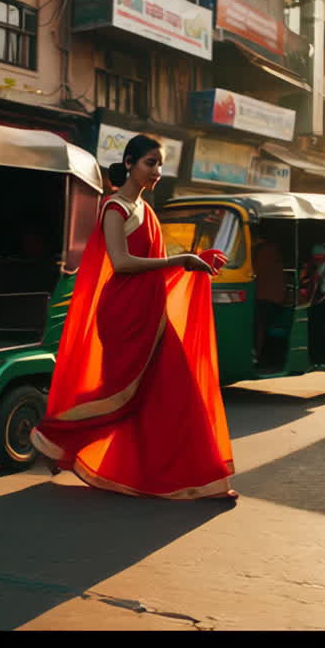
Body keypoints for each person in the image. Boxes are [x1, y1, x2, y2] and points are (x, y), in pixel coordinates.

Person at [30, 134, 239, 500]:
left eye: (159, 164)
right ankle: (57, 437)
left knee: (175, 394)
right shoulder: (116, 208)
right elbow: (123, 263)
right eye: (149, 163)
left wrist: (196, 261)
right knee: (119, 397)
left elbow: (154, 267)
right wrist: (181, 260)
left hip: (150, 314)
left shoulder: (148, 210)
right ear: (129, 163)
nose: (156, 171)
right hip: (124, 316)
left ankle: (196, 478)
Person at [252, 233, 286, 360]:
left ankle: (258, 353)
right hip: (273, 296)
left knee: (259, 324)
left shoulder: (264, 251)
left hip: (266, 296)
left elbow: (255, 271)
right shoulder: (271, 250)